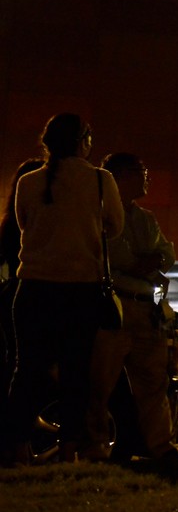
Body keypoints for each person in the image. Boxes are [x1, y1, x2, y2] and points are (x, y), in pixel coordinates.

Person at [0, 115, 122, 466]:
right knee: (75, 371)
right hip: (80, 289)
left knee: (27, 370)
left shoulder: (29, 181)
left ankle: (17, 447)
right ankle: (69, 449)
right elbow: (114, 227)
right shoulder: (100, 179)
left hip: (33, 287)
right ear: (83, 141)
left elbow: (24, 224)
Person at [86, 151, 178, 461]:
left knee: (153, 381)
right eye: (142, 172)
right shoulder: (99, 214)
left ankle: (159, 446)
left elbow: (166, 254)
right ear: (122, 176)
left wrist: (149, 261)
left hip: (145, 306)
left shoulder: (145, 217)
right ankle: (96, 446)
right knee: (100, 383)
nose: (147, 178)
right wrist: (148, 262)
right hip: (114, 304)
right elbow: (119, 258)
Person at [0, 159, 42, 425]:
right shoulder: (40, 227)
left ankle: (13, 430)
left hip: (13, 296)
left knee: (17, 363)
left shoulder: (10, 225)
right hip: (33, 295)